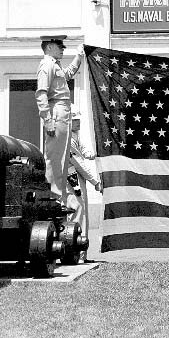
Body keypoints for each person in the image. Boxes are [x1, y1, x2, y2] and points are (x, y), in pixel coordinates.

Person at [35, 35, 85, 211]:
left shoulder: (55, 65)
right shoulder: (47, 65)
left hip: (63, 112)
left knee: (63, 158)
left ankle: (59, 197)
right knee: (55, 158)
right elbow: (41, 93)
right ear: (49, 47)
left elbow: (68, 75)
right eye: (59, 46)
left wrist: (79, 57)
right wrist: (47, 120)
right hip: (56, 112)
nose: (63, 48)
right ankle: (53, 198)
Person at [66, 105, 102, 261]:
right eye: (75, 120)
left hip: (74, 177)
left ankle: (80, 254)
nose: (78, 123)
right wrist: (95, 181)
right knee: (78, 213)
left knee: (80, 213)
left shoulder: (74, 136)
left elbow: (83, 152)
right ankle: (77, 254)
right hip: (72, 178)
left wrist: (90, 153)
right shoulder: (67, 138)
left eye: (78, 119)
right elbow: (78, 163)